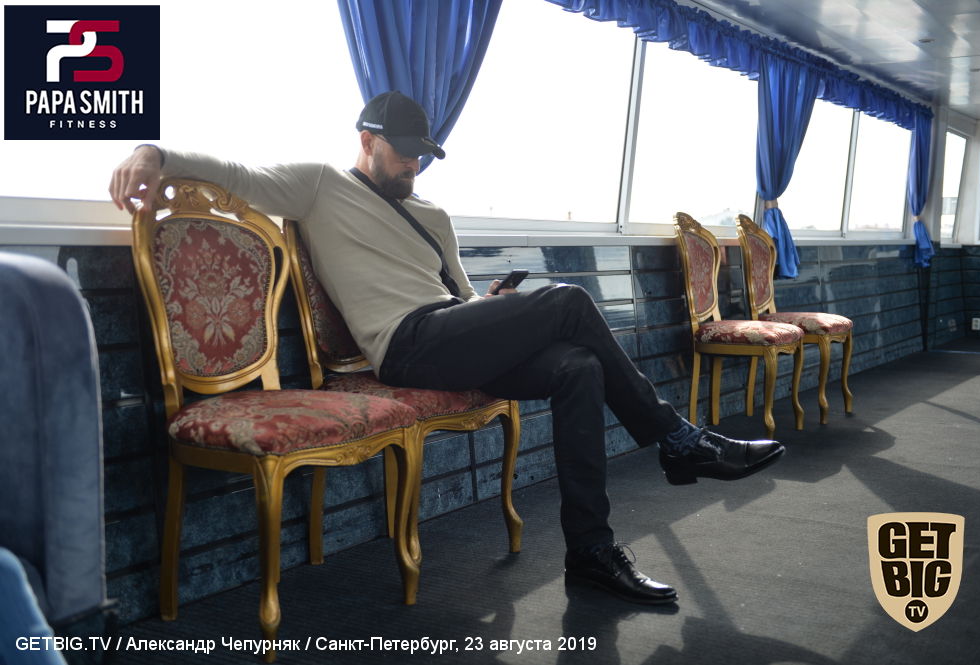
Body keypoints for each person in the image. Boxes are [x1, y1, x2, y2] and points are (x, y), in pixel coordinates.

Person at [109, 90, 785, 606]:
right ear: (367, 140)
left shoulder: (432, 214)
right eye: (403, 151)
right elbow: (236, 174)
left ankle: (591, 551)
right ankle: (678, 440)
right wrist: (152, 153)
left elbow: (458, 295)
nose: (413, 163)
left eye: (421, 154)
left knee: (578, 367)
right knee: (570, 301)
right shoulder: (320, 185)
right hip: (405, 346)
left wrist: (488, 306)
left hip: (451, 332)